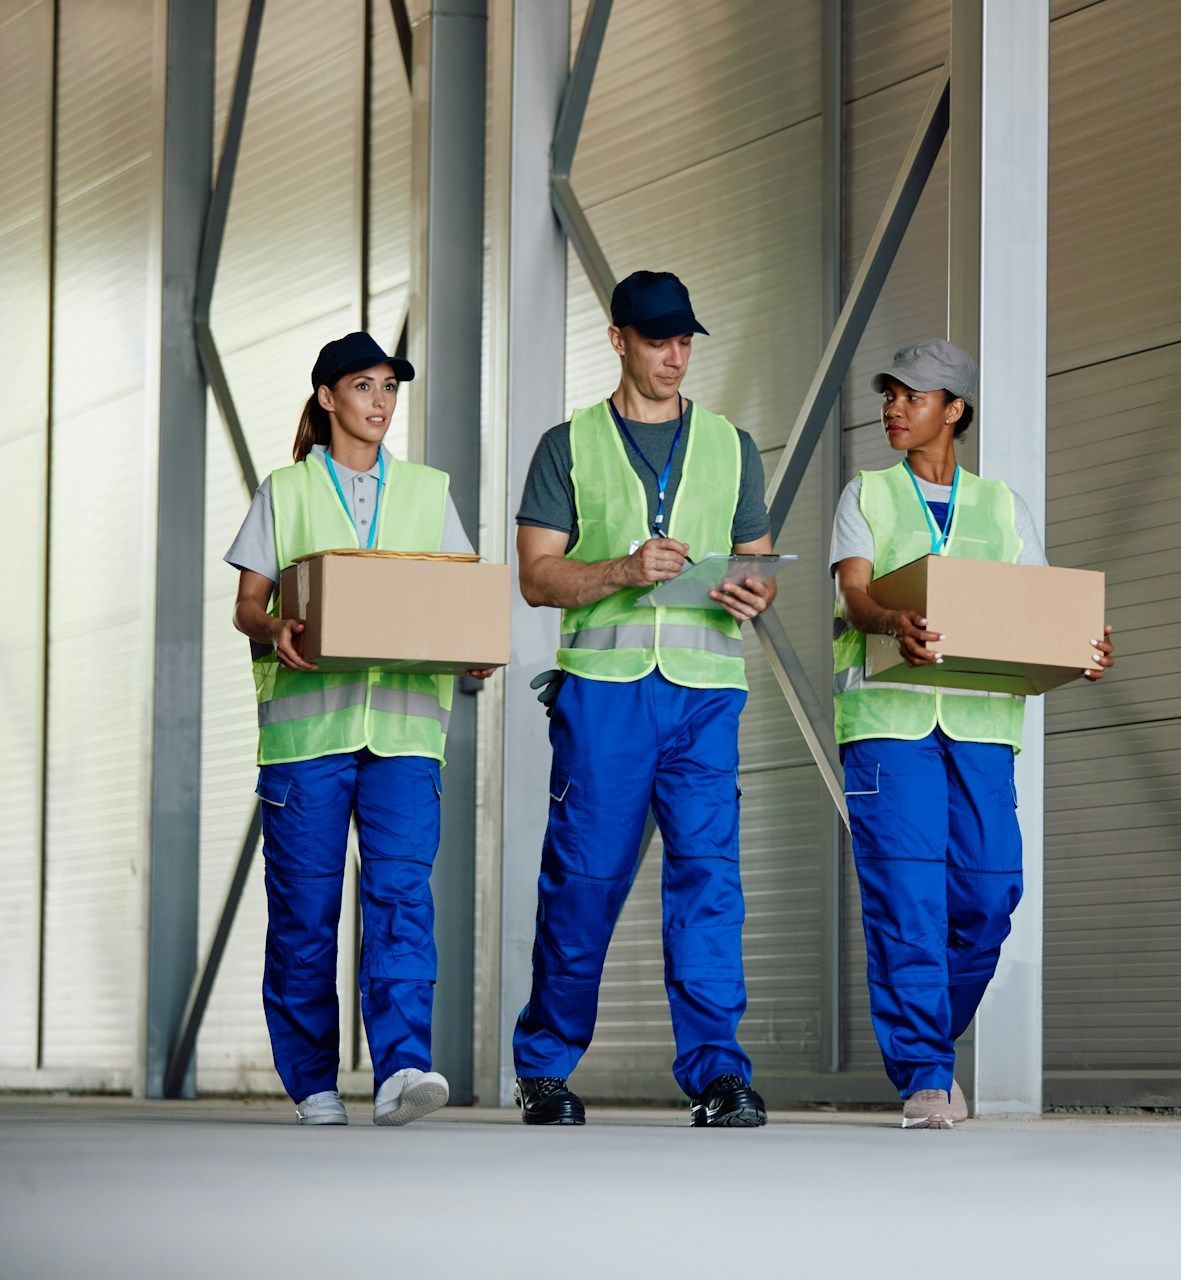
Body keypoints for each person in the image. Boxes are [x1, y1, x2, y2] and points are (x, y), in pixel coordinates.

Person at [510, 270, 778, 1127]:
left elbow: (757, 562)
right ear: (618, 339)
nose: (676, 356)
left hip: (704, 697)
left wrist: (752, 593)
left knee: (709, 882)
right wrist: (624, 570)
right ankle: (544, 1068)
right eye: (658, 340)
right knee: (583, 882)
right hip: (606, 700)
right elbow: (537, 576)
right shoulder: (568, 446)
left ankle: (717, 1076)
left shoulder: (732, 445)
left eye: (686, 340)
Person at [830, 339, 1115, 1129]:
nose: (893, 407)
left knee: (990, 896)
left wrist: (1083, 645)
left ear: (953, 410)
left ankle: (928, 1029)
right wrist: (893, 621)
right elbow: (856, 595)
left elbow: (1039, 609)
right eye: (889, 394)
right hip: (890, 727)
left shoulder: (1001, 507)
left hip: (982, 728)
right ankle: (924, 1072)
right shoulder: (868, 495)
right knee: (907, 901)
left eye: (912, 396)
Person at [224, 331, 495, 1126]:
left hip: (406, 738)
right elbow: (247, 603)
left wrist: (474, 654)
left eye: (390, 388)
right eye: (365, 386)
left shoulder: (427, 489)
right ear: (327, 398)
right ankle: (311, 1082)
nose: (380, 401)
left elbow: (459, 602)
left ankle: (402, 1067)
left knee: (402, 898)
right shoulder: (287, 489)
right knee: (305, 913)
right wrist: (271, 627)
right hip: (307, 742)